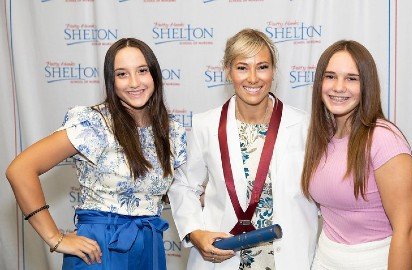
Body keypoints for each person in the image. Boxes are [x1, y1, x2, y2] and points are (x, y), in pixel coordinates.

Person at [6, 37, 186, 270]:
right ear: (111, 81)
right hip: (99, 248)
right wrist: (54, 237)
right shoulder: (94, 123)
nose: (134, 82)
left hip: (149, 246)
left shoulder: (171, 131)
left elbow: (178, 192)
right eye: (122, 74)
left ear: (154, 74)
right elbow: (20, 170)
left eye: (142, 70)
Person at [168, 28, 318, 270]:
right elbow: (184, 184)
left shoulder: (304, 126)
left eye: (262, 66)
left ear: (274, 71)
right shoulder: (205, 125)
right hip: (224, 257)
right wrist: (195, 232)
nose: (252, 78)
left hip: (287, 258)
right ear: (228, 71)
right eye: (242, 67)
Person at [301, 40, 412, 269]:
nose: (338, 87)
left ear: (366, 85)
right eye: (330, 76)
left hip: (376, 261)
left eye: (351, 78)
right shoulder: (322, 135)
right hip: (326, 258)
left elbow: (407, 229)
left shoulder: (384, 139)